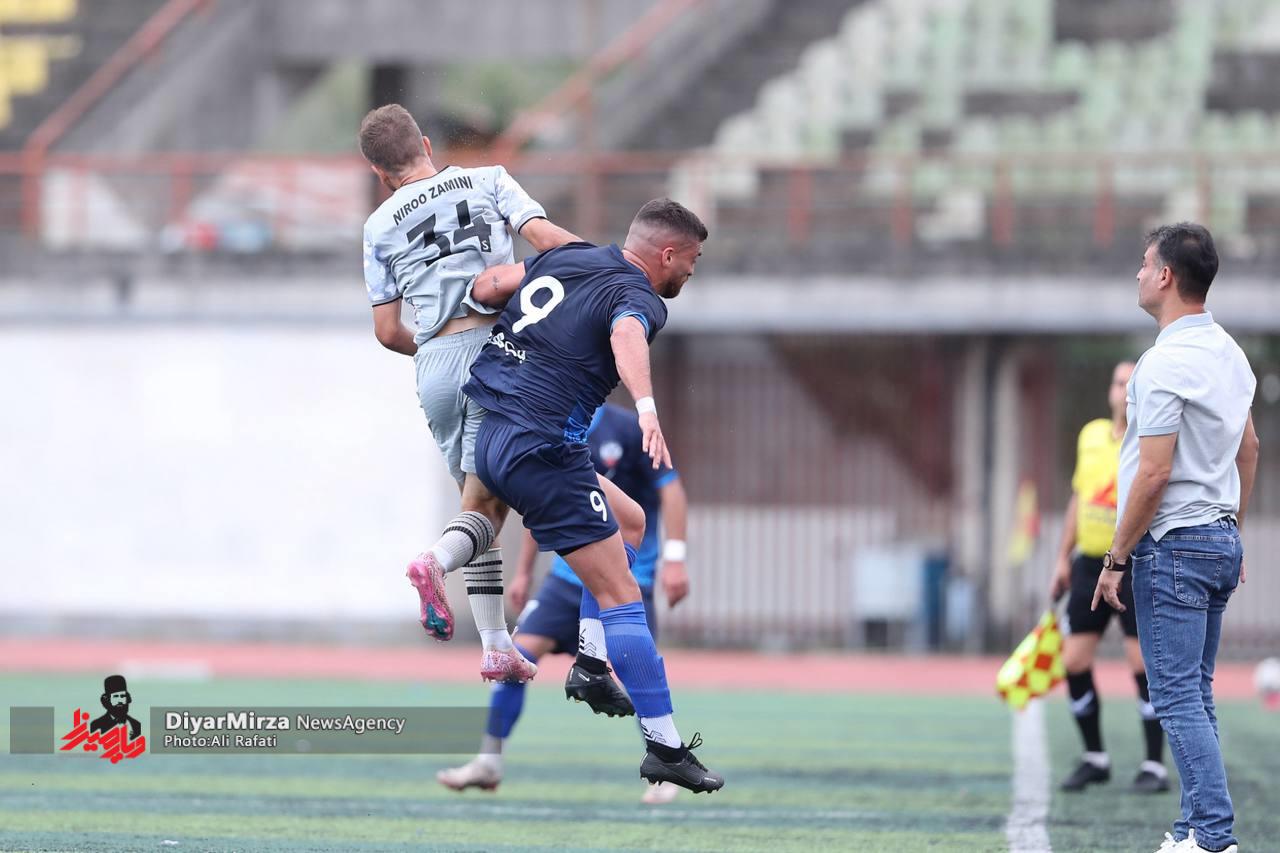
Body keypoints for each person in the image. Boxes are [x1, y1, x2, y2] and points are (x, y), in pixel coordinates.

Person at [457, 197, 723, 793]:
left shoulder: (572, 256)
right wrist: (647, 407)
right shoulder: (640, 296)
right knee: (623, 596)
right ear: (668, 254)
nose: (691, 271)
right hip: (543, 448)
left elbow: (491, 285)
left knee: (631, 521)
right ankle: (665, 748)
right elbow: (626, 331)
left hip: (494, 433)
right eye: (693, 259)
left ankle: (590, 662)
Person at [358, 104, 579, 682]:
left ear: (380, 173)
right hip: (493, 353)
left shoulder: (377, 226)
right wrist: (602, 264)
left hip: (432, 363)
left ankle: (495, 645)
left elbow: (386, 331)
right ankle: (433, 562)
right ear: (427, 144)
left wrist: (436, 351)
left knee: (476, 504)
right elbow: (545, 240)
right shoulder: (488, 180)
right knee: (488, 507)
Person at [1093, 223, 1258, 853]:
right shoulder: (1231, 353)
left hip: (1175, 543)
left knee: (1176, 698)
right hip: (1217, 536)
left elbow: (1155, 473)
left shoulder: (1162, 362)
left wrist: (1115, 556)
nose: (1137, 274)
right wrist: (1233, 528)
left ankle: (1213, 836)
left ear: (1165, 276)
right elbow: (1249, 448)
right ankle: (1193, 830)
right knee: (1197, 693)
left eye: (1143, 264)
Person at [436, 403, 691, 803]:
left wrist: (675, 557)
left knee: (635, 670)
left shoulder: (628, 429)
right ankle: (489, 760)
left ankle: (666, 766)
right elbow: (544, 505)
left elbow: (671, 490)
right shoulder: (551, 427)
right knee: (514, 658)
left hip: (623, 578)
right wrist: (524, 572)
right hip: (566, 581)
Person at [1049, 360, 1169, 794]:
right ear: (1110, 391)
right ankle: (1095, 758)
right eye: (1118, 382)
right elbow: (1079, 498)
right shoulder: (1091, 436)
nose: (1124, 389)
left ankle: (1153, 765)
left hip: (1134, 562)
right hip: (1088, 563)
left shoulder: (1151, 438)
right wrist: (1062, 558)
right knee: (1074, 661)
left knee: (1142, 665)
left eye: (1131, 382)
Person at [89, 675, 142, 740]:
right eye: (116, 696)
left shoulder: (136, 725)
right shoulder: (96, 725)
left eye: (122, 696)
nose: (120, 701)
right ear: (107, 700)